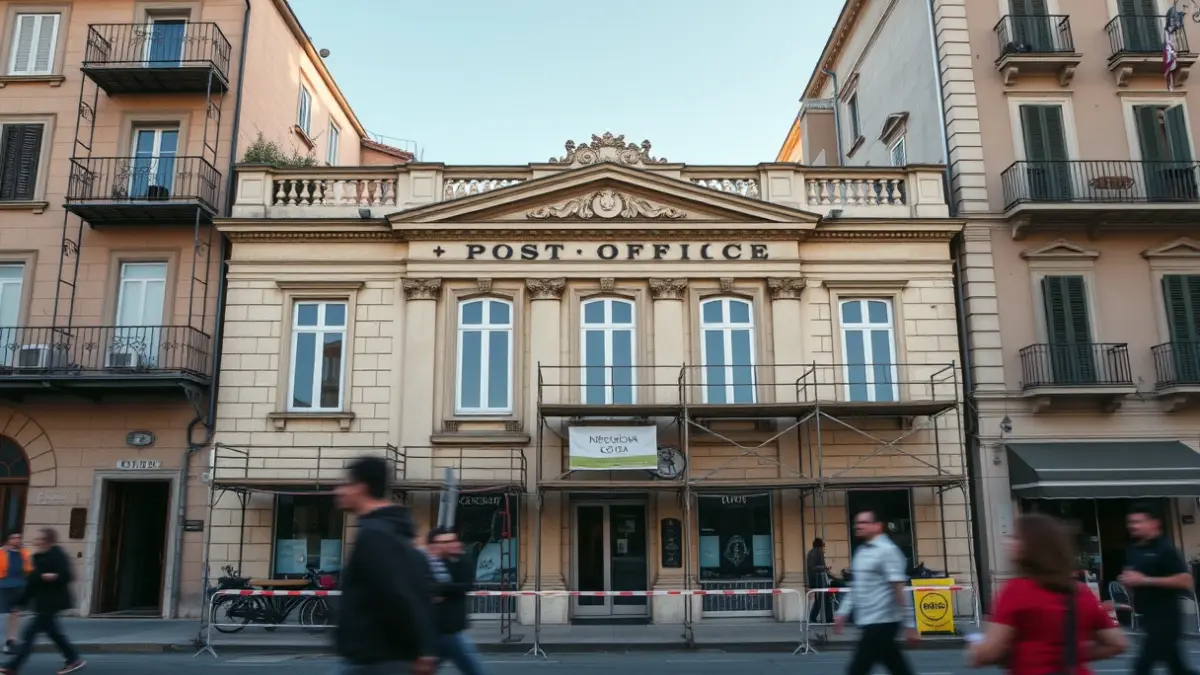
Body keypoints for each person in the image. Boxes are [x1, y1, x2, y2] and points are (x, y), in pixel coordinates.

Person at [968, 513, 1126, 675]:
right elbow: (1117, 643)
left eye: (1015, 538)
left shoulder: (1017, 591)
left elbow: (991, 651)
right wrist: (1072, 654)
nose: (1007, 542)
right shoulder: (1081, 592)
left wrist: (976, 651)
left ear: (1031, 546)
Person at [333, 456, 437, 675]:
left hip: (377, 660)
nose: (338, 491)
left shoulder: (375, 534)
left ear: (361, 487)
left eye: (345, 484)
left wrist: (417, 650)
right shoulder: (392, 529)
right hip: (380, 657)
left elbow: (397, 595)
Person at [834, 510, 917, 675]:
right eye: (857, 522)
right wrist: (842, 612)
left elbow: (899, 588)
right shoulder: (862, 552)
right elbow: (857, 586)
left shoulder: (887, 551)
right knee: (896, 665)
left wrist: (910, 625)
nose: (858, 526)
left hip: (883, 621)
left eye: (864, 522)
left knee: (857, 669)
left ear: (877, 526)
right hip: (869, 621)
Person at [1120, 502, 1196, 675]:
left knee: (1142, 666)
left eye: (1138, 522)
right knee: (1177, 667)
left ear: (1154, 523)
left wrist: (1145, 580)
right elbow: (1134, 577)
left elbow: (1185, 581)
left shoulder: (1165, 548)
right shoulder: (1134, 549)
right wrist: (1128, 580)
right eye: (1130, 522)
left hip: (1166, 618)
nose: (1133, 526)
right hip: (1147, 616)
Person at [0, 528, 84, 675]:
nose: (36, 541)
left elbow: (67, 575)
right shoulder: (37, 557)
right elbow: (33, 582)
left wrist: (55, 576)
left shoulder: (57, 554)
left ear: (48, 540)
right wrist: (19, 601)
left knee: (29, 634)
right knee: (54, 633)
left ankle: (12, 667)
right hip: (43, 602)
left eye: (39, 538)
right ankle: (73, 659)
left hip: (54, 601)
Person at [426, 527, 486, 675]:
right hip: (436, 631)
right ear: (435, 545)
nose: (453, 544)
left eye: (454, 540)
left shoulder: (460, 561)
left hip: (453, 630)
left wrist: (441, 589)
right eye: (446, 541)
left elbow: (468, 585)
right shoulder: (427, 563)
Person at [0, 534, 31, 654]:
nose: (18, 540)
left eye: (19, 538)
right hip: (2, 586)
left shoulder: (23, 553)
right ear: (8, 540)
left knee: (15, 614)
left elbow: (28, 569)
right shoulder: (1, 552)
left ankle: (10, 642)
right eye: (15, 538)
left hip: (18, 586)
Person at [807, 537, 833, 625]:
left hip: (814, 580)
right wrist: (825, 568)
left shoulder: (811, 552)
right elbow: (819, 567)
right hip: (819, 579)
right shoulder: (819, 552)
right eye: (823, 545)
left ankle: (814, 617)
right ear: (820, 545)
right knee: (824, 599)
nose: (824, 547)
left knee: (821, 599)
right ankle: (827, 618)